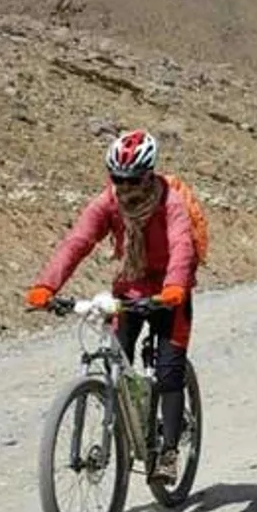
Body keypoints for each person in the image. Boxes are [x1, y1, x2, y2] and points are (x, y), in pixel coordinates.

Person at [25, 129, 196, 484]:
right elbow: (78, 241)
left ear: (148, 175)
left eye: (132, 179)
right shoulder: (108, 203)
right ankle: (127, 422)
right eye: (117, 178)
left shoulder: (171, 203)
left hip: (169, 292)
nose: (124, 186)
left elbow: (182, 245)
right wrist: (47, 285)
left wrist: (175, 286)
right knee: (118, 357)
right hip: (131, 288)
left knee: (168, 372)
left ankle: (168, 451)